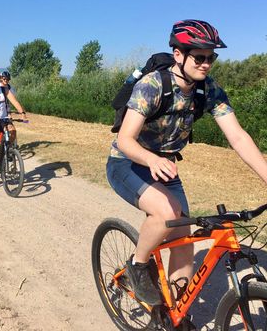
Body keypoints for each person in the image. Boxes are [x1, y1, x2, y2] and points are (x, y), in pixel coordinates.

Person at [106, 20, 267, 316]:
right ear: (178, 54)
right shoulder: (153, 85)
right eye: (199, 57)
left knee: (184, 239)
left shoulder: (207, 89)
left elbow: (238, 136)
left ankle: (176, 313)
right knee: (167, 213)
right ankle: (137, 267)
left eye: (211, 57)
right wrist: (152, 159)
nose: (206, 64)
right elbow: (125, 140)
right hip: (127, 163)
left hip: (166, 166)